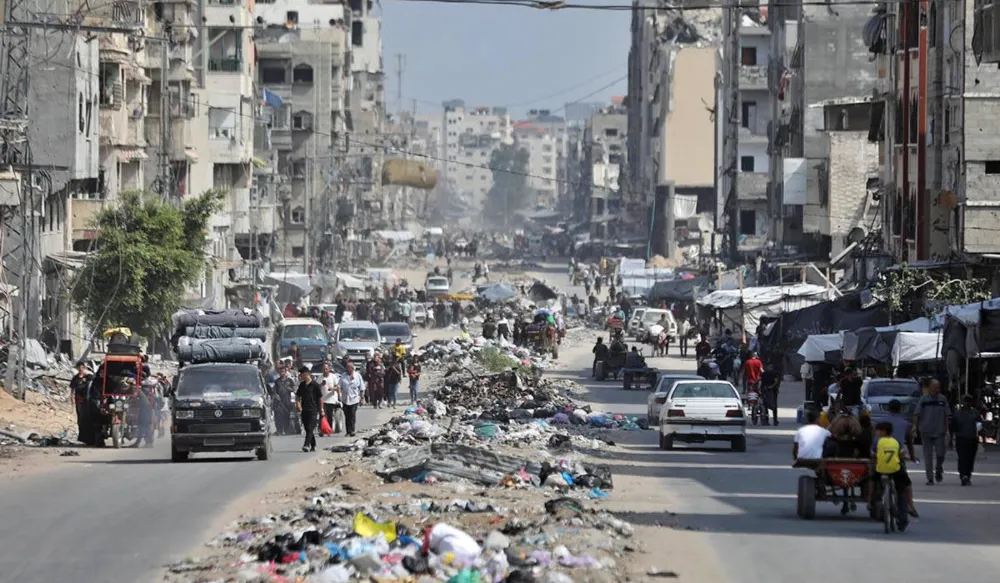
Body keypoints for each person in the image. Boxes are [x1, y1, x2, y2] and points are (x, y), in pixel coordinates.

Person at [870, 421, 911, 532]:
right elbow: (902, 454)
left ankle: (872, 502)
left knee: (873, 481)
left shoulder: (877, 441)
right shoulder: (896, 441)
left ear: (883, 431)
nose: (876, 433)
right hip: (895, 470)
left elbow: (873, 454)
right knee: (901, 491)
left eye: (878, 430)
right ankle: (903, 518)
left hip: (880, 470)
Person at [883, 399, 919, 516]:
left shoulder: (880, 423)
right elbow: (909, 443)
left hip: (881, 457)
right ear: (900, 410)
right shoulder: (906, 425)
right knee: (906, 482)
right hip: (897, 458)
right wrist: (913, 457)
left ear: (888, 409)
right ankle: (910, 504)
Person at [914, 378, 950, 485]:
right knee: (928, 456)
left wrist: (947, 430)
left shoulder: (942, 399)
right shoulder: (924, 399)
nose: (937, 390)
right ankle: (930, 478)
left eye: (938, 387)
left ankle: (938, 468)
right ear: (930, 388)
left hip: (939, 431)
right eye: (935, 387)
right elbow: (916, 413)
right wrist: (914, 426)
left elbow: (947, 415)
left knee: (941, 454)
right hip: (926, 431)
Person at [951, 394, 981, 486]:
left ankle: (967, 474)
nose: (967, 403)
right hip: (961, 439)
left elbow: (979, 425)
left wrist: (980, 437)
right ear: (962, 402)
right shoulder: (957, 414)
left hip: (972, 439)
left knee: (970, 458)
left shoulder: (975, 413)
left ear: (971, 402)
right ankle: (963, 475)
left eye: (969, 401)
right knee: (962, 458)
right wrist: (951, 440)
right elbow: (953, 427)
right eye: (965, 401)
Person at [295, 366, 324, 453]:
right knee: (307, 428)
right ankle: (313, 445)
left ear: (306, 374)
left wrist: (321, 409)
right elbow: (298, 395)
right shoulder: (302, 385)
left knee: (310, 427)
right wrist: (298, 404)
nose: (300, 376)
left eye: (301, 374)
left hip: (313, 409)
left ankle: (306, 445)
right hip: (304, 409)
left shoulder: (315, 385)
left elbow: (320, 398)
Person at [338, 361, 365, 437]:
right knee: (347, 416)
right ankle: (348, 431)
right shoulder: (343, 376)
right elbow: (339, 386)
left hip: (354, 399)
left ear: (352, 368)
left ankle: (352, 430)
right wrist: (339, 396)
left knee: (352, 415)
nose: (347, 369)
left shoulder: (358, 376)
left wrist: (362, 398)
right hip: (345, 399)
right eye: (346, 368)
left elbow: (362, 388)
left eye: (349, 368)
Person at [70, 363, 93, 445]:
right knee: (81, 419)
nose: (81, 369)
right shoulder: (75, 378)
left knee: (89, 419)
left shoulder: (89, 377)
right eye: (79, 368)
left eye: (82, 368)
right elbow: (72, 389)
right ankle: (82, 438)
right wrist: (72, 398)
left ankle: (91, 438)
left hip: (89, 401)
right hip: (80, 401)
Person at [319, 362, 343, 435]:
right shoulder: (320, 377)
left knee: (329, 416)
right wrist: (320, 385)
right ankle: (322, 430)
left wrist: (332, 388)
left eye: (326, 369)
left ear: (329, 369)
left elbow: (338, 387)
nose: (325, 370)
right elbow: (316, 388)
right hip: (323, 400)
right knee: (322, 415)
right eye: (324, 369)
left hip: (331, 400)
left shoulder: (333, 377)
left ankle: (329, 429)